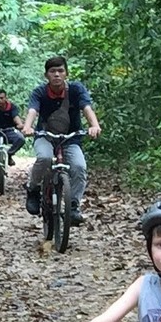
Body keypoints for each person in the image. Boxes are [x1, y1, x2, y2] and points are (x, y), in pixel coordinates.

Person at [19, 55, 100, 224]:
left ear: (66, 74)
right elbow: (33, 110)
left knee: (79, 166)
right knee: (44, 158)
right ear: (46, 75)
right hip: (45, 136)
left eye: (60, 71)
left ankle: (73, 206)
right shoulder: (40, 92)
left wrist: (94, 125)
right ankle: (33, 189)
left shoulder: (76, 90)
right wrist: (27, 127)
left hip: (71, 138)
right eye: (52, 71)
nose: (56, 74)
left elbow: (86, 108)